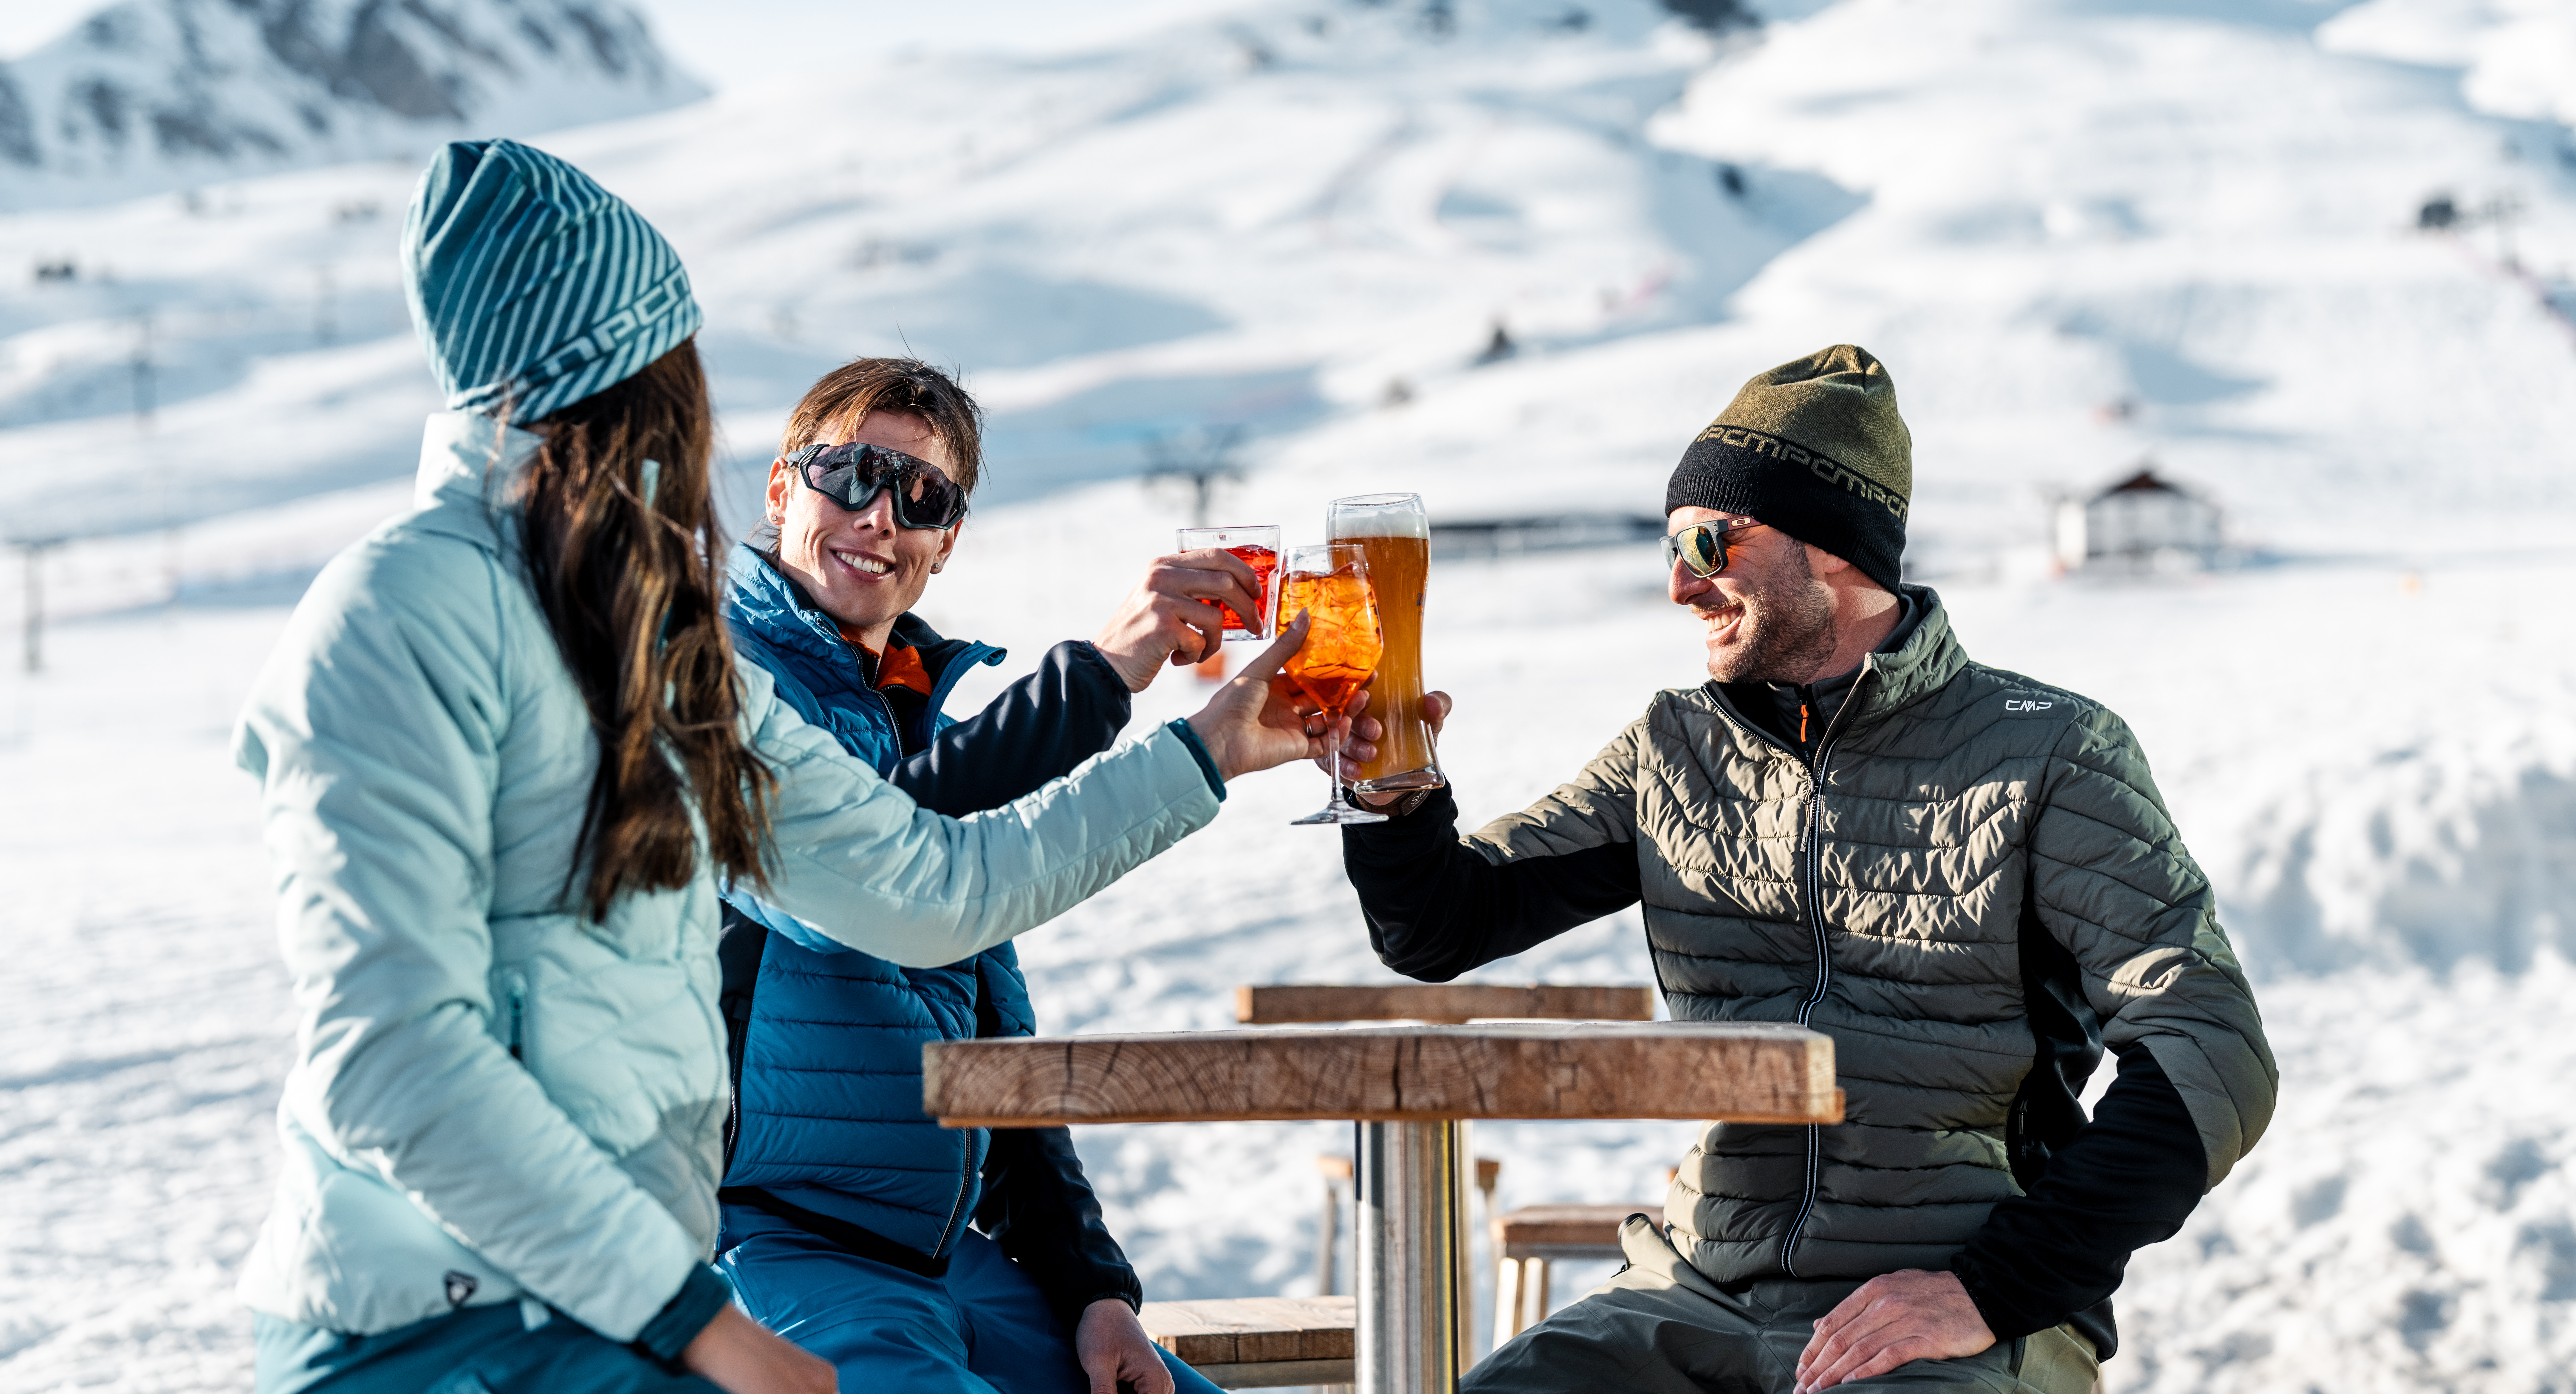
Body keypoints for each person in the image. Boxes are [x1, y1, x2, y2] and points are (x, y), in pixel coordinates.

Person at [235, 140, 1335, 1394]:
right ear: (617, 379)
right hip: (431, 1324)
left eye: (920, 498)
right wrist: (705, 1326)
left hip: (634, 1309)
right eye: (676, 368)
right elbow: (394, 1057)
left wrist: (1208, 751)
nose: (879, 515)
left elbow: (933, 891)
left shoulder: (664, 645)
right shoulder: (400, 609)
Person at [1341, 345, 2277, 1394]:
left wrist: (1993, 1290)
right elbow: (1441, 926)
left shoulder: (2050, 751)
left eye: (1708, 542)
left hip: (1943, 1313)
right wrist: (1387, 779)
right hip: (1692, 1295)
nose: (1679, 585)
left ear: (1830, 548)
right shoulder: (1674, 749)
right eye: (1671, 549)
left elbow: (2211, 1051)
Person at [712, 356, 1262, 1394]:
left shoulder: (919, 713)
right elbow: (877, 857)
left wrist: (1090, 1289)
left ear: (946, 542)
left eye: (921, 495)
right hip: (765, 1250)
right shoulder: (712, 685)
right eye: (849, 475)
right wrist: (1096, 682)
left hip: (946, 1263)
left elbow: (993, 1053)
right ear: (784, 490)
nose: (879, 516)